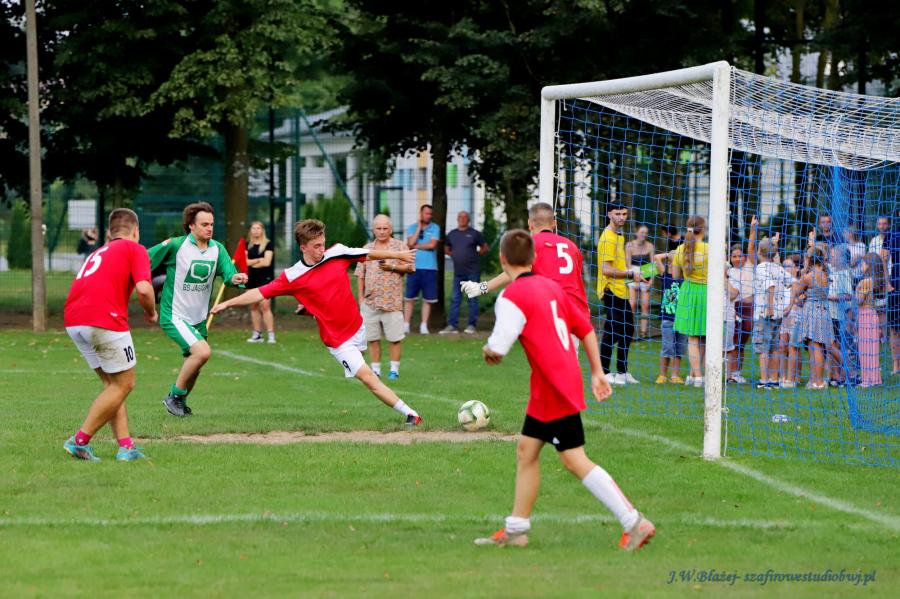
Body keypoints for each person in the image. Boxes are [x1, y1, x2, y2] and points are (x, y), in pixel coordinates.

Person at [473, 230, 654, 551]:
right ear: (534, 258)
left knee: (574, 459)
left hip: (554, 386)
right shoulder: (552, 287)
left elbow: (498, 347)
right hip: (550, 384)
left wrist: (489, 351)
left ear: (502, 259)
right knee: (526, 451)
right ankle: (517, 529)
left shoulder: (511, 296)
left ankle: (634, 522)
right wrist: (597, 372)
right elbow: (585, 328)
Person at [211, 219, 423, 425]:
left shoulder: (337, 253)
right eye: (316, 246)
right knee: (368, 378)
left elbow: (369, 254)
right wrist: (227, 303)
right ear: (303, 247)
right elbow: (259, 292)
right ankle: (411, 414)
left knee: (365, 368)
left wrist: (399, 255)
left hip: (358, 327)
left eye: (323, 244)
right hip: (338, 340)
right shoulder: (292, 276)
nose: (322, 249)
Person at [63, 209, 158, 461]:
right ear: (136, 231)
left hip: (74, 320)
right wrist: (151, 312)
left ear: (109, 232)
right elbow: (144, 289)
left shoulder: (98, 252)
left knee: (113, 385)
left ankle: (126, 447)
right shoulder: (135, 248)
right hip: (103, 319)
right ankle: (79, 441)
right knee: (124, 384)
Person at [148, 202, 248, 417]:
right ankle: (174, 396)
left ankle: (180, 405)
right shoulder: (176, 245)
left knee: (195, 364)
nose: (209, 228)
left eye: (211, 224)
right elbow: (144, 260)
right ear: (191, 226)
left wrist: (236, 278)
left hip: (198, 318)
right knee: (202, 352)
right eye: (204, 224)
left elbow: (229, 274)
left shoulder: (217, 249)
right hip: (174, 315)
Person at [460, 202, 590, 334]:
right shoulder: (572, 247)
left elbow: (514, 271)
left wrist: (482, 287)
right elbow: (577, 282)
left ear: (530, 223)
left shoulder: (531, 245)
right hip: (577, 313)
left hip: (551, 313)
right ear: (554, 224)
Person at [355, 214, 412, 380]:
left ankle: (394, 370)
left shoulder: (400, 246)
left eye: (385, 228)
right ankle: (376, 370)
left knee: (394, 338)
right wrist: (361, 299)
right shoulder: (366, 249)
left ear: (391, 229)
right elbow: (360, 275)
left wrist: (392, 267)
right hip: (370, 302)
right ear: (373, 230)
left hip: (392, 302)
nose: (381, 231)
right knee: (372, 338)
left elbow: (410, 268)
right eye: (378, 228)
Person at [597, 203, 647, 385]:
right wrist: (630, 274)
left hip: (621, 289)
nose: (621, 217)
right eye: (617, 213)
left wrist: (635, 274)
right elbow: (606, 270)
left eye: (624, 214)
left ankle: (622, 372)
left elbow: (619, 266)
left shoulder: (619, 235)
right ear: (609, 214)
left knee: (627, 330)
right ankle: (603, 372)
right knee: (612, 332)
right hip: (610, 290)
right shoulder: (608, 238)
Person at [788, 248, 836, 389]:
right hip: (824, 310)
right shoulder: (826, 274)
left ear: (810, 259)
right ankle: (814, 380)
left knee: (816, 346)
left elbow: (797, 291)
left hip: (812, 311)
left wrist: (799, 277)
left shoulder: (808, 276)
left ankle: (819, 382)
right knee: (815, 346)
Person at [672, 216, 708, 388]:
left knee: (693, 337)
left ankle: (694, 375)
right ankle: (699, 377)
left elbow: (675, 276)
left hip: (688, 292)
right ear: (703, 229)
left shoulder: (680, 249)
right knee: (704, 336)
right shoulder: (710, 249)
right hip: (706, 292)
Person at [752, 239, 793, 389]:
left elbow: (770, 286)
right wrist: (789, 304)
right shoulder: (778, 268)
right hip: (778, 314)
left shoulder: (761, 268)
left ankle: (764, 380)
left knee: (763, 347)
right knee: (775, 348)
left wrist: (769, 307)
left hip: (765, 313)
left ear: (759, 252)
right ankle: (774, 380)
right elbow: (793, 283)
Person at [441, 211, 488, 334]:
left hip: (473, 271)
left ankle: (472, 325)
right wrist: (454, 255)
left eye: (465, 217)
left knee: (472, 298)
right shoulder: (452, 234)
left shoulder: (475, 233)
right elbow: (446, 248)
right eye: (460, 217)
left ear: (468, 220)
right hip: (458, 272)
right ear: (457, 219)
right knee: (455, 299)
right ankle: (452, 325)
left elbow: (485, 247)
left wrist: (475, 256)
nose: (462, 219)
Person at [726, 217, 758, 384]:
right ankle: (730, 373)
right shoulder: (728, 271)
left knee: (741, 343)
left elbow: (751, 247)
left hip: (748, 308)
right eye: (734, 256)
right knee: (732, 343)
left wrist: (752, 230)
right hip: (733, 308)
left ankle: (737, 372)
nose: (738, 259)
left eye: (740, 256)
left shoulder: (749, 267)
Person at [404, 204, 441, 334]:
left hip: (430, 268)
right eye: (426, 213)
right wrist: (419, 228)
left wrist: (416, 246)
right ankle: (406, 325)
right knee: (409, 298)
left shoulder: (435, 228)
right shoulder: (412, 228)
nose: (428, 216)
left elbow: (432, 245)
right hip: (413, 267)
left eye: (430, 214)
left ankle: (424, 325)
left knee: (428, 299)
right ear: (420, 214)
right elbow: (410, 243)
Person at [652, 252, 685, 384]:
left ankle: (675, 375)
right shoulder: (665, 275)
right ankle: (663, 375)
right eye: (671, 263)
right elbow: (656, 257)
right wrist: (669, 254)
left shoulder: (684, 278)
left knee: (679, 349)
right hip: (667, 319)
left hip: (682, 319)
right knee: (667, 347)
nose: (672, 265)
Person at [857, 253, 887, 387]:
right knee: (872, 348)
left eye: (863, 263)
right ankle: (873, 379)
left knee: (865, 349)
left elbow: (859, 300)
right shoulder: (874, 280)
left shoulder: (866, 281)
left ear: (869, 266)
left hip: (866, 315)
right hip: (870, 314)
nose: (861, 266)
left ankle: (868, 380)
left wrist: (857, 291)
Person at [245, 221, 276, 344]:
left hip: (265, 278)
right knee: (253, 306)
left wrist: (252, 263)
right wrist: (258, 260)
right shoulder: (247, 245)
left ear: (262, 230)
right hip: (251, 279)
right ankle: (257, 334)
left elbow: (267, 262)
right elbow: (245, 262)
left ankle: (271, 335)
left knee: (265, 306)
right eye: (254, 228)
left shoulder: (268, 244)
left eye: (258, 228)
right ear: (250, 230)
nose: (256, 230)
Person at [626, 225, 655, 340]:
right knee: (631, 304)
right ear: (636, 232)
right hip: (633, 273)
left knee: (645, 305)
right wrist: (634, 278)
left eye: (646, 232)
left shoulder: (650, 246)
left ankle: (643, 332)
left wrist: (651, 280)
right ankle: (630, 330)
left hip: (646, 273)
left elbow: (653, 264)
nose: (644, 234)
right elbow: (627, 264)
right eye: (642, 232)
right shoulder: (629, 245)